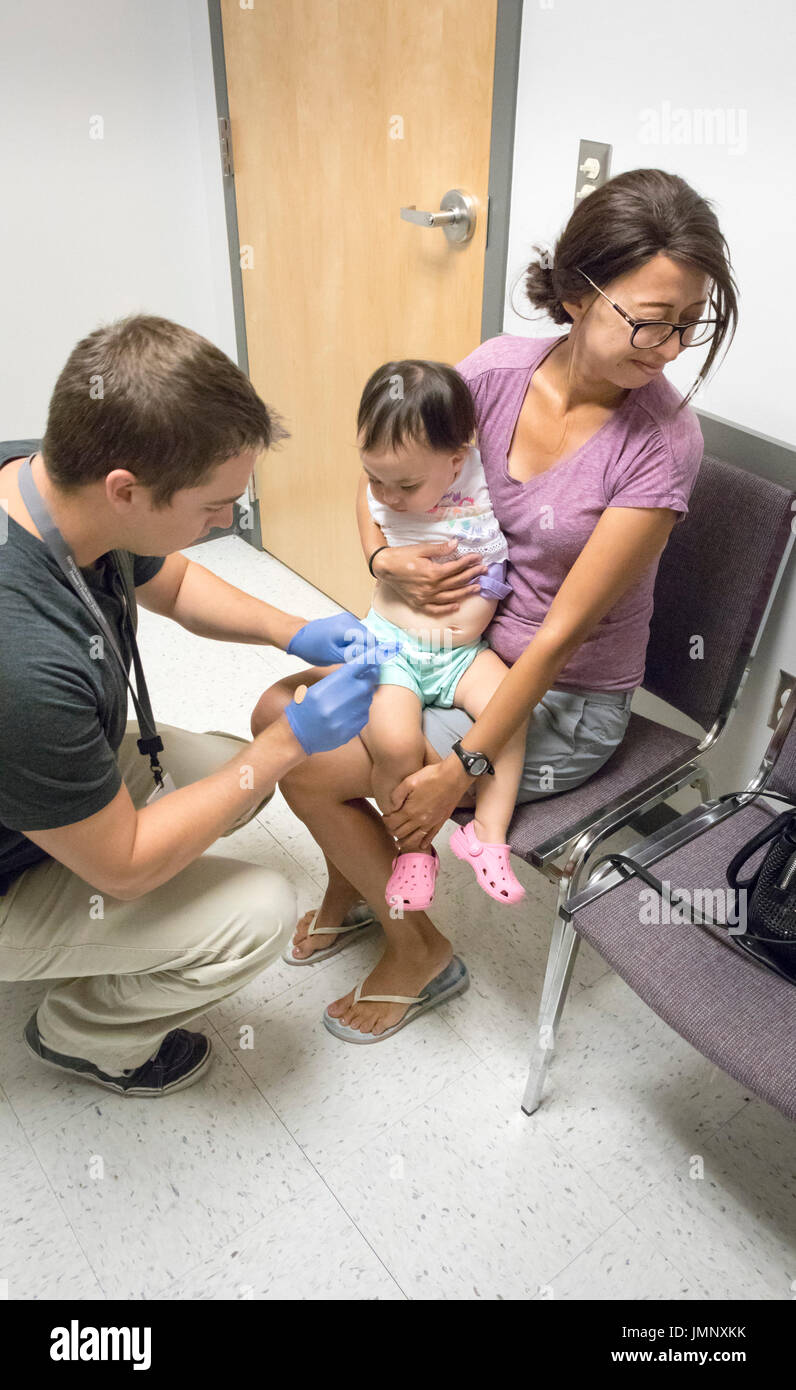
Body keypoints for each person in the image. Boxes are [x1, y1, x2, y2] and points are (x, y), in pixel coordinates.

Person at [251, 167, 738, 1044]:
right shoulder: (494, 371)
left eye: (686, 326)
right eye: (648, 319)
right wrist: (382, 556)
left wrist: (464, 769)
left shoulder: (662, 446)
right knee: (275, 709)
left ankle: (419, 951)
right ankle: (357, 882)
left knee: (303, 760)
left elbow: (555, 639)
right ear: (581, 289)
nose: (666, 348)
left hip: (558, 697)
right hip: (450, 648)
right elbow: (387, 479)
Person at [0, 315, 379, 1097]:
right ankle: (85, 1038)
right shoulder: (24, 662)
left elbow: (166, 580)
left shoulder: (40, 478)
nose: (223, 524)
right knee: (259, 909)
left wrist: (293, 628)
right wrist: (287, 742)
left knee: (210, 770)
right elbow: (126, 868)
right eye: (214, 507)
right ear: (126, 490)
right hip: (18, 858)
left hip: (35, 788)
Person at [355, 359, 528, 910]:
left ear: (456, 462)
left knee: (512, 711)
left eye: (404, 484)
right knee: (395, 743)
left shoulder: (482, 472)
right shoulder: (379, 486)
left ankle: (487, 836)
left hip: (462, 654)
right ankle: (412, 849)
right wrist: (379, 554)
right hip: (393, 649)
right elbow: (363, 501)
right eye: (374, 475)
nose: (386, 494)